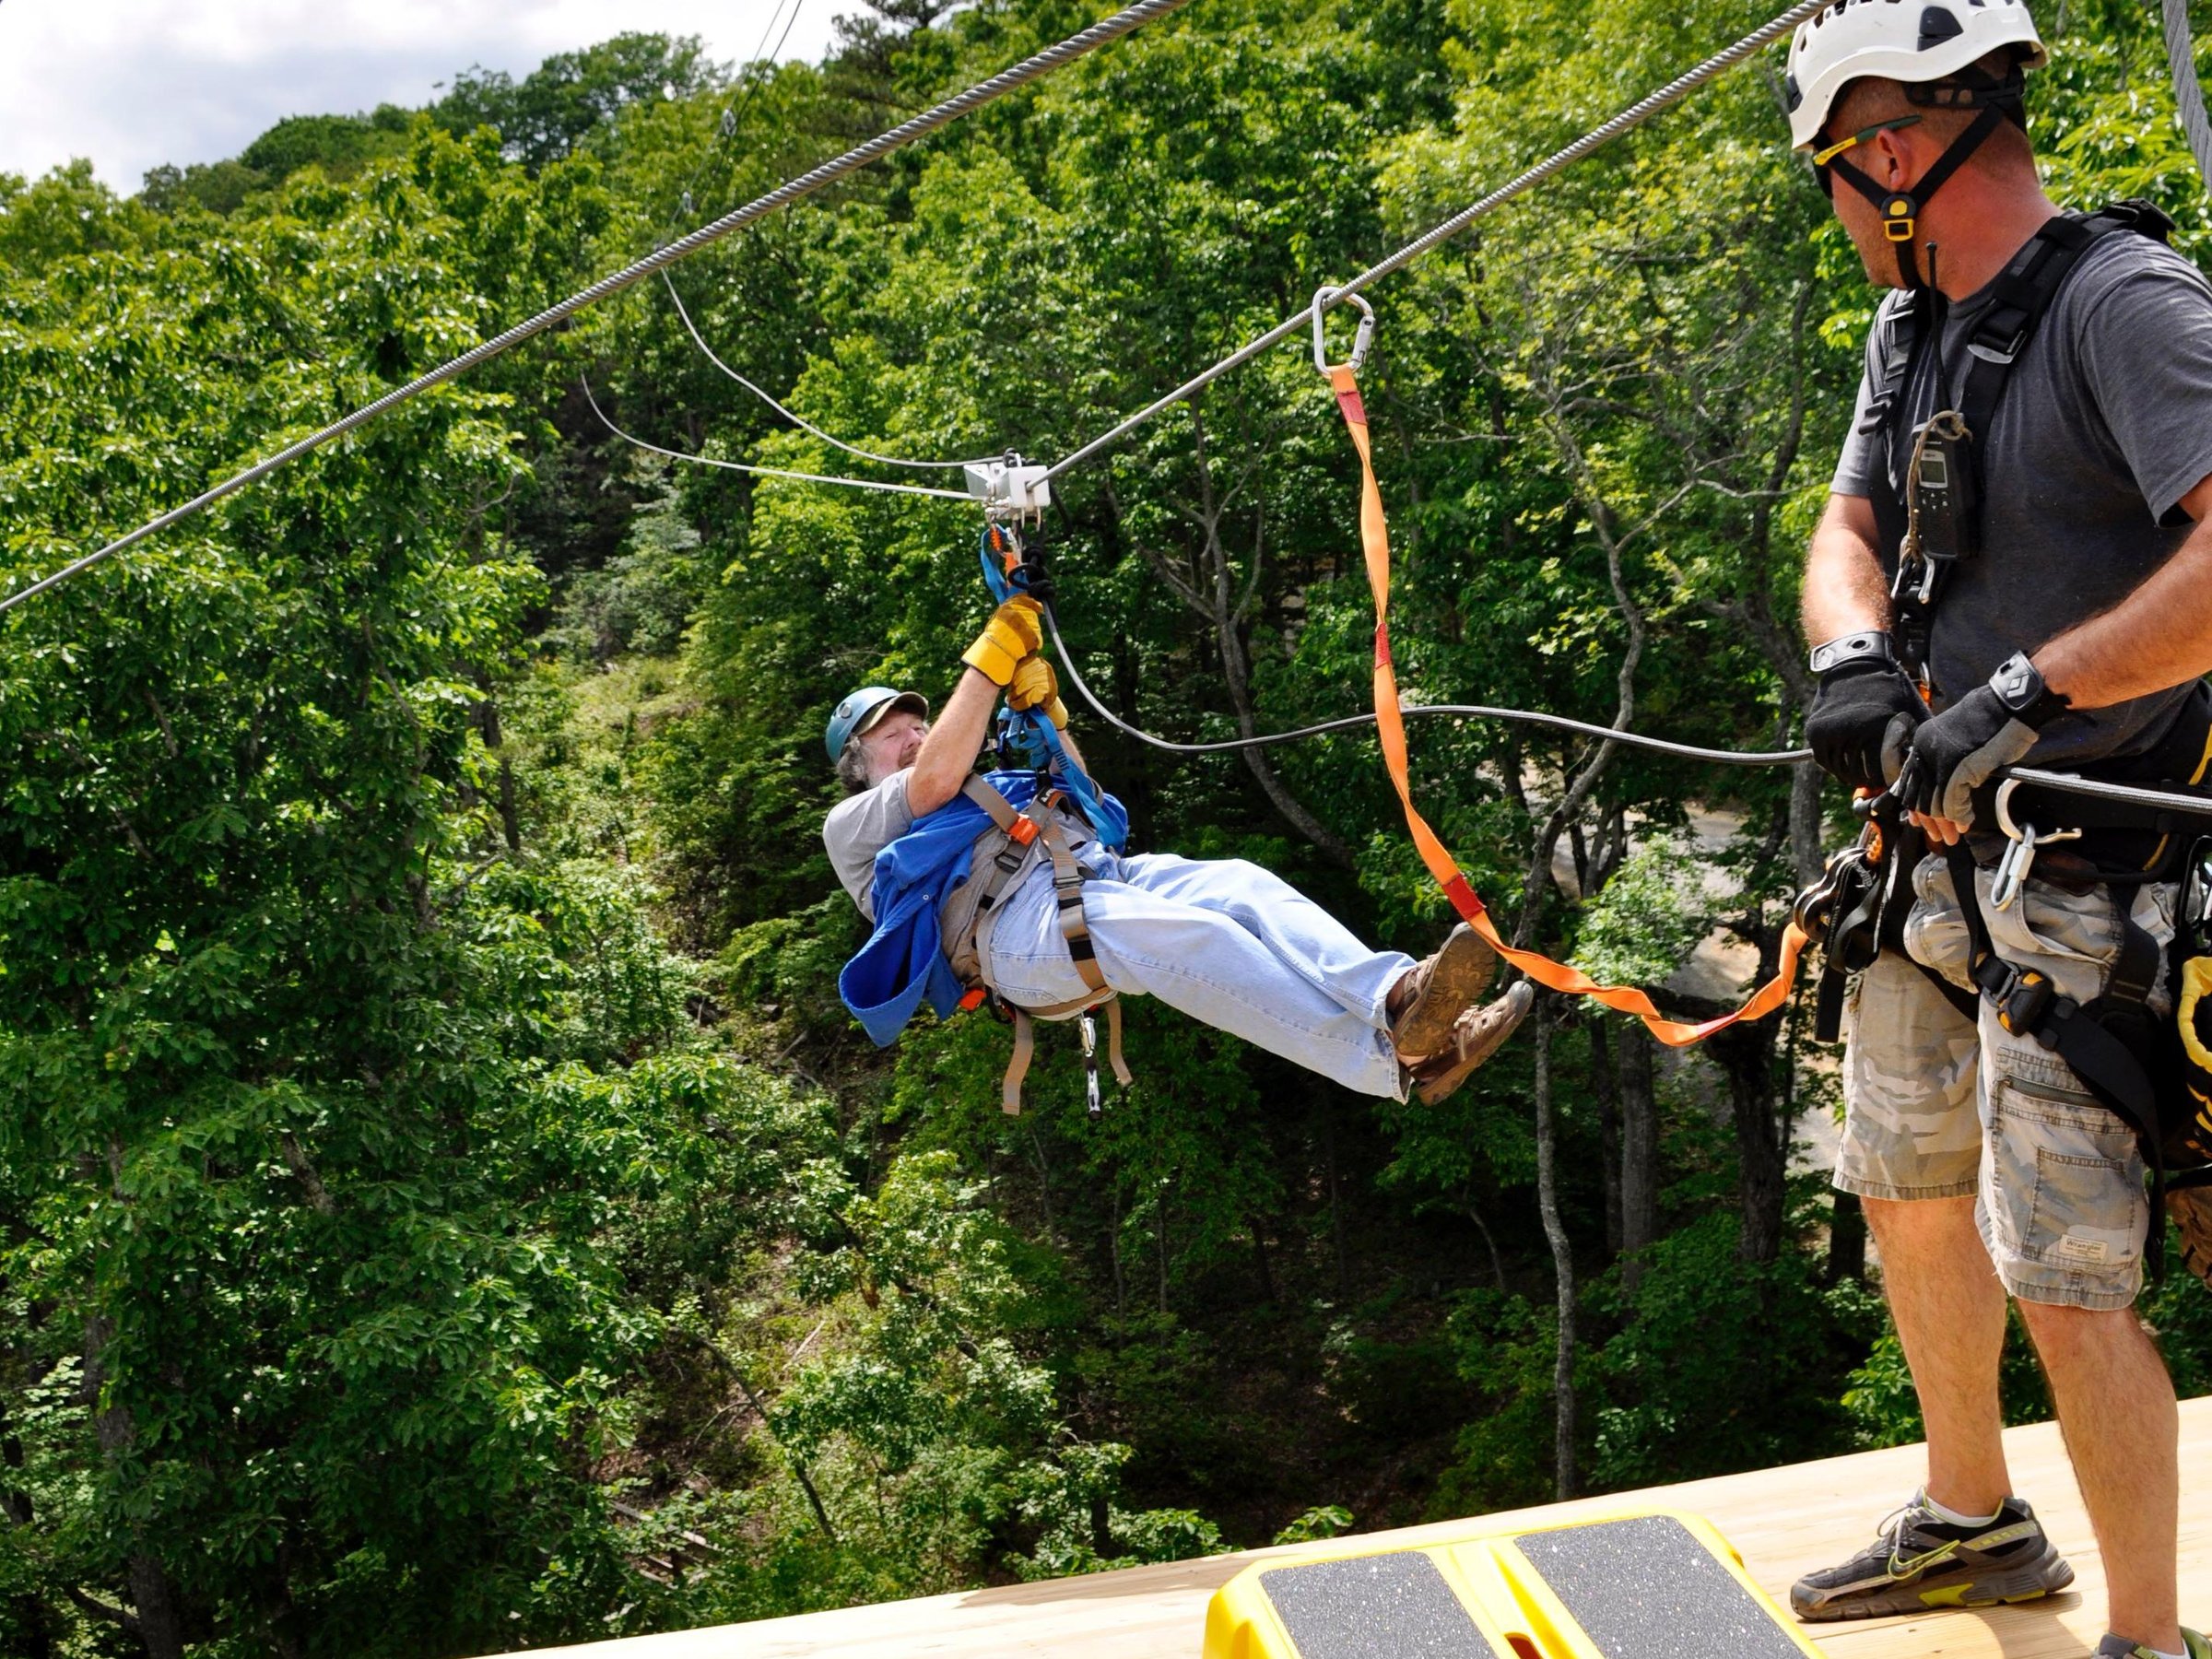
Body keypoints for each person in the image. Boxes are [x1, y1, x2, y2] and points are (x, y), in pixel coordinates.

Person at [1789, 2, 2212, 1654]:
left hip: (2090, 872)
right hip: (1929, 857)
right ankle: (1976, 1522)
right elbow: (1850, 523)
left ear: (1894, 158)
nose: (1834, 213)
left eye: (1833, 176)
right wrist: (1851, 656)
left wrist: (2030, 691)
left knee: (2067, 1276)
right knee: (1907, 1187)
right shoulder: (1918, 328)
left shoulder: (2131, 310)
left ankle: (2150, 1636)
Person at [823, 594, 1534, 1106]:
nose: (915, 737)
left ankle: (1398, 996)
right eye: (895, 734)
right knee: (1188, 936)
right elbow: (938, 773)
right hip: (1012, 931)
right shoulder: (856, 823)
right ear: (859, 760)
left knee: (1240, 884)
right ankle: (1391, 1060)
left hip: (1096, 871)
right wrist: (991, 656)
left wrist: (1050, 719)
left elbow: (1090, 802)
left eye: (921, 724)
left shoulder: (984, 781)